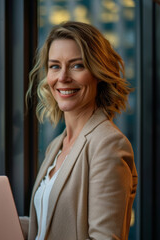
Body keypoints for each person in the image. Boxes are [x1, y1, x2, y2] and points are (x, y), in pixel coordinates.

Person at [21, 21, 138, 240]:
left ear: (98, 74)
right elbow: (50, 227)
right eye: (55, 66)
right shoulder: (56, 145)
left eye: (77, 65)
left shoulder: (108, 145)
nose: (63, 77)